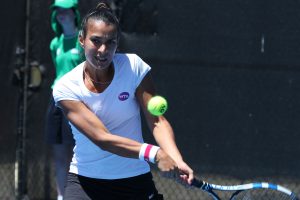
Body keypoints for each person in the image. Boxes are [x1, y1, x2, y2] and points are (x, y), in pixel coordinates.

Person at [52, 1, 194, 199]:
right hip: (86, 185)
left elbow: (157, 120)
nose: (103, 49)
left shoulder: (134, 67)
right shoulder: (66, 87)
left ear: (117, 43)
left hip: (135, 181)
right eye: (96, 41)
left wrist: (176, 160)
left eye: (111, 42)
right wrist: (156, 154)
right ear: (81, 39)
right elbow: (102, 138)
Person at [45, 0, 84, 200]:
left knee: (77, 155)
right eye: (58, 10)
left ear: (74, 12)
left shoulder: (83, 41)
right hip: (55, 102)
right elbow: (59, 70)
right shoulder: (56, 43)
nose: (61, 14)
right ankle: (62, 196)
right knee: (59, 153)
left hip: (77, 103)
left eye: (65, 9)